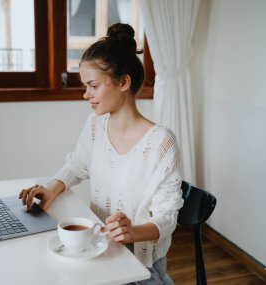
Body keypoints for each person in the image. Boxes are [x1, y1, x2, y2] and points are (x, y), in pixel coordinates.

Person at [19, 23, 183, 284]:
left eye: (93, 86)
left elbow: (168, 218)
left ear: (124, 82)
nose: (86, 95)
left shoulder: (161, 143)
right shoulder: (95, 126)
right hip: (98, 249)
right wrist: (50, 188)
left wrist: (133, 232)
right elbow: (77, 165)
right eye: (85, 86)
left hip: (140, 266)